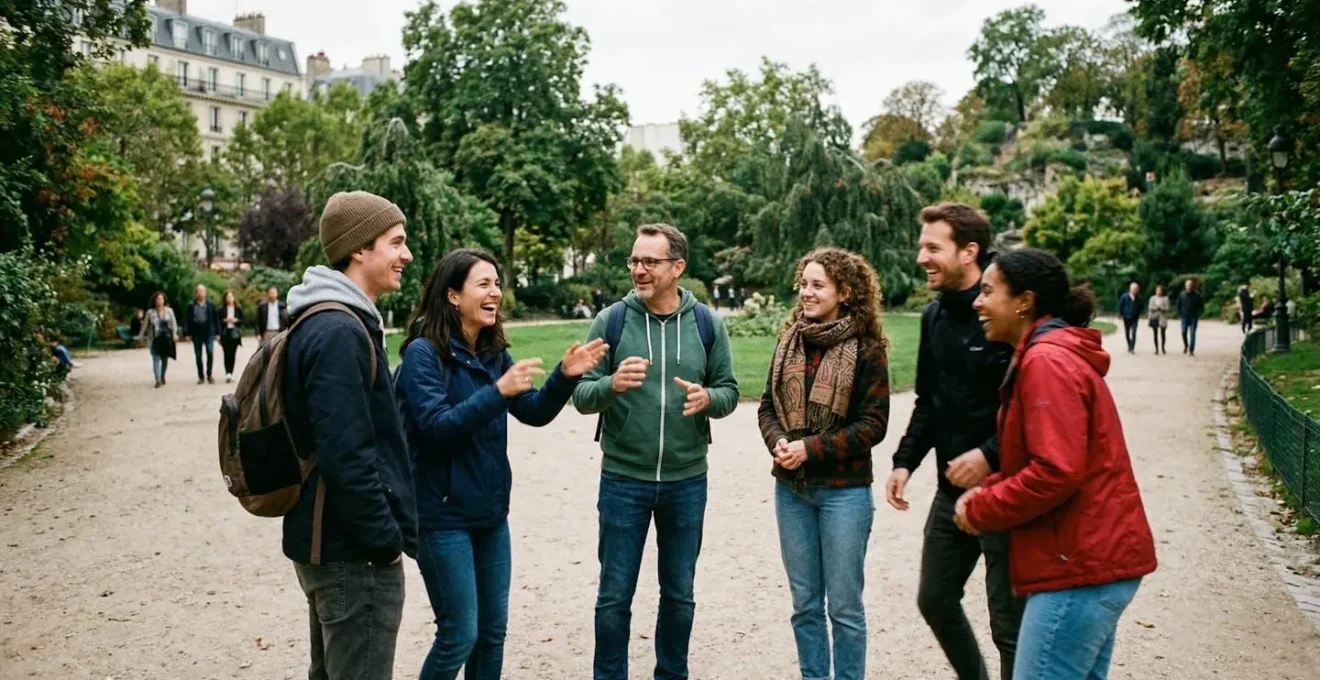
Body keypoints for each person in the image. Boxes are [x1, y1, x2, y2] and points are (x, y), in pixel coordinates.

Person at [397, 248, 608, 680]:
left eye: (497, 283)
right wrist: (497, 391)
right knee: (459, 634)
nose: (495, 292)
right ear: (453, 296)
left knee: (492, 634)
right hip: (440, 515)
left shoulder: (490, 351)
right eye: (483, 284)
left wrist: (565, 377)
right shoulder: (423, 354)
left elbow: (532, 410)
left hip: (490, 513)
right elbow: (436, 427)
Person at [957, 247, 1157, 680]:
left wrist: (982, 509)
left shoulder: (1046, 361)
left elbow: (1056, 470)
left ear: (1024, 301)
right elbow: (1049, 458)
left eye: (988, 291)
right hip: (1085, 562)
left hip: (1080, 567)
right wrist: (991, 487)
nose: (978, 301)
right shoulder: (1045, 354)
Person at [573, 223, 740, 680]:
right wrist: (610, 385)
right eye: (634, 261)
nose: (639, 270)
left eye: (650, 261)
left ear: (677, 267)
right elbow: (581, 395)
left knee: (680, 594)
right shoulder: (611, 321)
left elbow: (728, 390)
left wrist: (709, 399)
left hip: (687, 480)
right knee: (613, 596)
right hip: (624, 480)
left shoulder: (707, 323)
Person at [282, 191, 418, 680]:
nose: (406, 255)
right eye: (396, 242)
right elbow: (349, 455)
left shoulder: (326, 319)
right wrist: (383, 543)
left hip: (331, 544)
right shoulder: (339, 330)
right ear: (360, 248)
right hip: (350, 552)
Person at [886, 202, 1022, 680]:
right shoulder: (934, 316)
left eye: (932, 247)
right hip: (952, 490)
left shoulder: (1008, 314)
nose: (921, 257)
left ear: (969, 251)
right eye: (921, 246)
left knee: (1009, 622)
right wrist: (905, 461)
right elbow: (929, 399)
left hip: (1007, 489)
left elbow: (1028, 408)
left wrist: (988, 456)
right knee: (936, 598)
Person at [757, 247, 890, 680]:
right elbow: (767, 408)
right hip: (791, 491)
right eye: (804, 283)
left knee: (846, 607)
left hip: (844, 493)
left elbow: (873, 425)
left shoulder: (867, 349)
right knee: (805, 605)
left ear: (845, 293)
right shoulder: (789, 340)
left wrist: (809, 448)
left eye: (818, 285)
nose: (807, 292)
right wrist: (779, 442)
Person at [182, 284, 221, 384]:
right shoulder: (191, 305)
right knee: (198, 355)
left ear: (205, 293)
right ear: (196, 293)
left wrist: (217, 333)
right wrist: (186, 334)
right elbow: (186, 320)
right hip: (196, 333)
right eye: (199, 291)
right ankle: (201, 376)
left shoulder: (210, 304)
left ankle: (209, 374)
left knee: (210, 352)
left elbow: (216, 319)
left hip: (208, 332)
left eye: (203, 291)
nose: (201, 293)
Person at [138, 292, 177, 388]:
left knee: (164, 359)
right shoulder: (150, 312)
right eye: (158, 299)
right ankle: (158, 379)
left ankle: (162, 376)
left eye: (161, 299)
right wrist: (141, 337)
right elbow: (145, 326)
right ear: (154, 301)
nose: (159, 301)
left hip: (166, 339)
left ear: (164, 300)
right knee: (155, 358)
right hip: (155, 339)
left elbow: (174, 324)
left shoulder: (169, 311)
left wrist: (174, 334)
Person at [218, 290, 244, 383]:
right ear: (225, 299)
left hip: (235, 333)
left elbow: (242, 321)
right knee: (226, 353)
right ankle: (227, 372)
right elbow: (218, 322)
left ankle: (231, 373)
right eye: (228, 297)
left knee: (232, 353)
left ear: (234, 298)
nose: (229, 299)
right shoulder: (221, 310)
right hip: (225, 333)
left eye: (231, 297)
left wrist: (236, 320)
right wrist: (225, 320)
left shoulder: (238, 309)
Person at [1176, 279, 1205, 356]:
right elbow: (1178, 304)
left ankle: (1191, 349)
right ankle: (1186, 345)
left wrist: (1198, 313)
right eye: (1187, 285)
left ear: (1193, 286)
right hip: (1184, 317)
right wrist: (1179, 313)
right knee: (1183, 332)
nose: (1189, 287)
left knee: (1192, 334)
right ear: (1185, 286)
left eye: (1190, 285)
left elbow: (1201, 306)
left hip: (1193, 317)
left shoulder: (1197, 295)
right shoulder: (1182, 294)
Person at [1117, 282, 1142, 355]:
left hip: (1135, 318)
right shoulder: (1124, 296)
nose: (1135, 290)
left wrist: (1138, 312)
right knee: (1127, 333)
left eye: (1136, 289)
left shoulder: (1139, 298)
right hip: (1126, 317)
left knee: (1134, 333)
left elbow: (1141, 306)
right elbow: (1120, 305)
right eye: (1134, 289)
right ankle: (1129, 344)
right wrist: (1120, 314)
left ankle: (1132, 348)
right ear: (1130, 289)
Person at [1147, 285, 1170, 355]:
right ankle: (1156, 349)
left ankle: (1163, 347)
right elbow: (1150, 307)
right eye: (1157, 290)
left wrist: (1161, 308)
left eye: (1160, 290)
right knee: (1155, 334)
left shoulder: (1165, 299)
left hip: (1162, 318)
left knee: (1163, 333)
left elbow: (1167, 308)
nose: (1158, 292)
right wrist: (1156, 308)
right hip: (1154, 317)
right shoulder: (1152, 298)